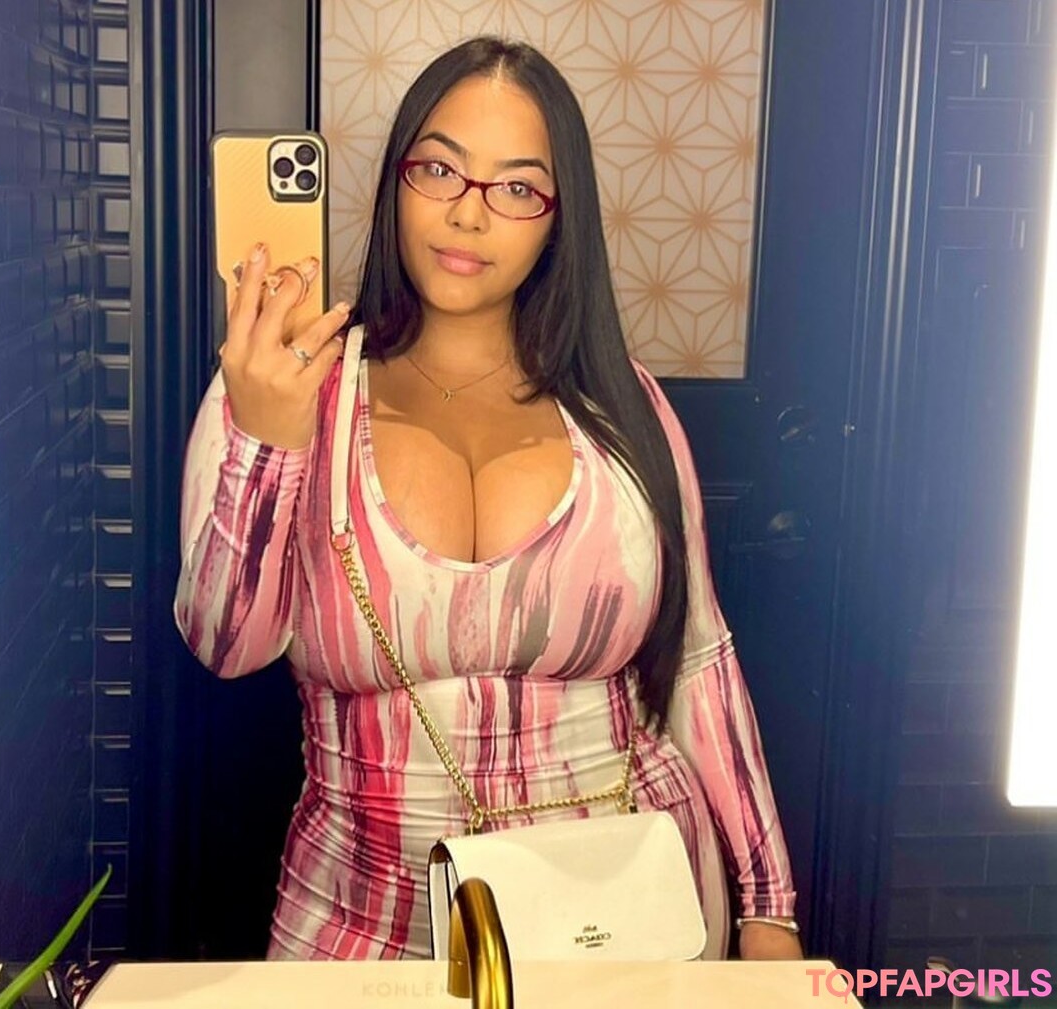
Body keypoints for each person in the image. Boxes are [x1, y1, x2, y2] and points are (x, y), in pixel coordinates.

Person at [175, 35, 801, 962]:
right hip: (366, 923)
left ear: (558, 218)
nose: (468, 214)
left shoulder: (622, 404)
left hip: (628, 914)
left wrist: (769, 907)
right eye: (439, 170)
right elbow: (228, 645)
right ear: (396, 181)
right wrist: (268, 438)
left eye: (516, 188)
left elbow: (699, 658)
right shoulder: (287, 387)